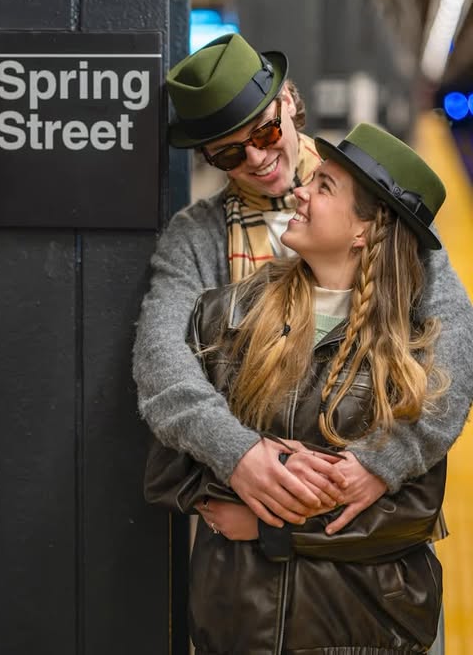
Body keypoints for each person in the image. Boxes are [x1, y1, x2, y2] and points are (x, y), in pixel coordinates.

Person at [132, 32, 473, 536]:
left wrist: (384, 461)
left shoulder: (377, 196)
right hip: (251, 524)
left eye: (265, 134)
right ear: (207, 158)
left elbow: (453, 342)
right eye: (228, 155)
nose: (255, 159)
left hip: (373, 542)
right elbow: (161, 360)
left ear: (288, 102)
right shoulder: (198, 236)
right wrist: (239, 454)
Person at [143, 122, 450, 653]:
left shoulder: (414, 346)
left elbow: (413, 513)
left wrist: (267, 527)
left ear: (363, 231)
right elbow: (168, 471)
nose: (300, 191)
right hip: (240, 630)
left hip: (365, 631)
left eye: (325, 186)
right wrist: (241, 462)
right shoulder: (228, 315)